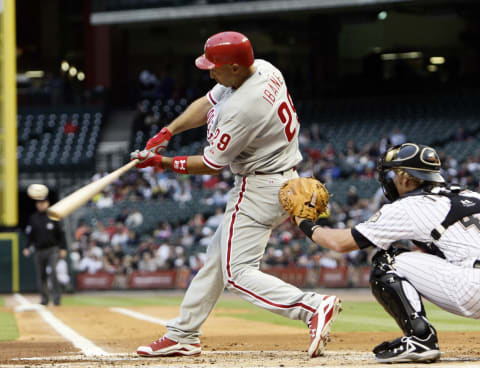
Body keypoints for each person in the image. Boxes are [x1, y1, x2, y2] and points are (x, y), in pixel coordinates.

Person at [131, 31, 341, 358]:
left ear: (234, 67)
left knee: (236, 273)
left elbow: (213, 164)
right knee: (217, 261)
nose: (209, 72)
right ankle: (183, 333)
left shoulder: (245, 107)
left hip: (258, 187)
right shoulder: (263, 69)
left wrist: (163, 163)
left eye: (214, 67)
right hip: (280, 178)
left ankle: (311, 307)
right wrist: (168, 132)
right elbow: (208, 102)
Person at [295, 142, 480, 364]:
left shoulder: (409, 205)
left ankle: (421, 338)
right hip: (470, 273)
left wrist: (303, 222)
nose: (389, 180)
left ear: (405, 178)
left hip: (472, 288)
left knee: (387, 260)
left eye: (392, 174)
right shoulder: (470, 194)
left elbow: (341, 243)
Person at [24, 191, 67, 306]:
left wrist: (63, 248)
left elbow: (61, 234)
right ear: (36, 204)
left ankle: (57, 299)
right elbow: (30, 235)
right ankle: (44, 299)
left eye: (43, 202)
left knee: (53, 271)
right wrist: (27, 247)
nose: (41, 205)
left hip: (52, 249)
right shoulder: (33, 218)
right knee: (41, 275)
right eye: (39, 203)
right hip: (39, 250)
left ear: (47, 203)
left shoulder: (54, 216)